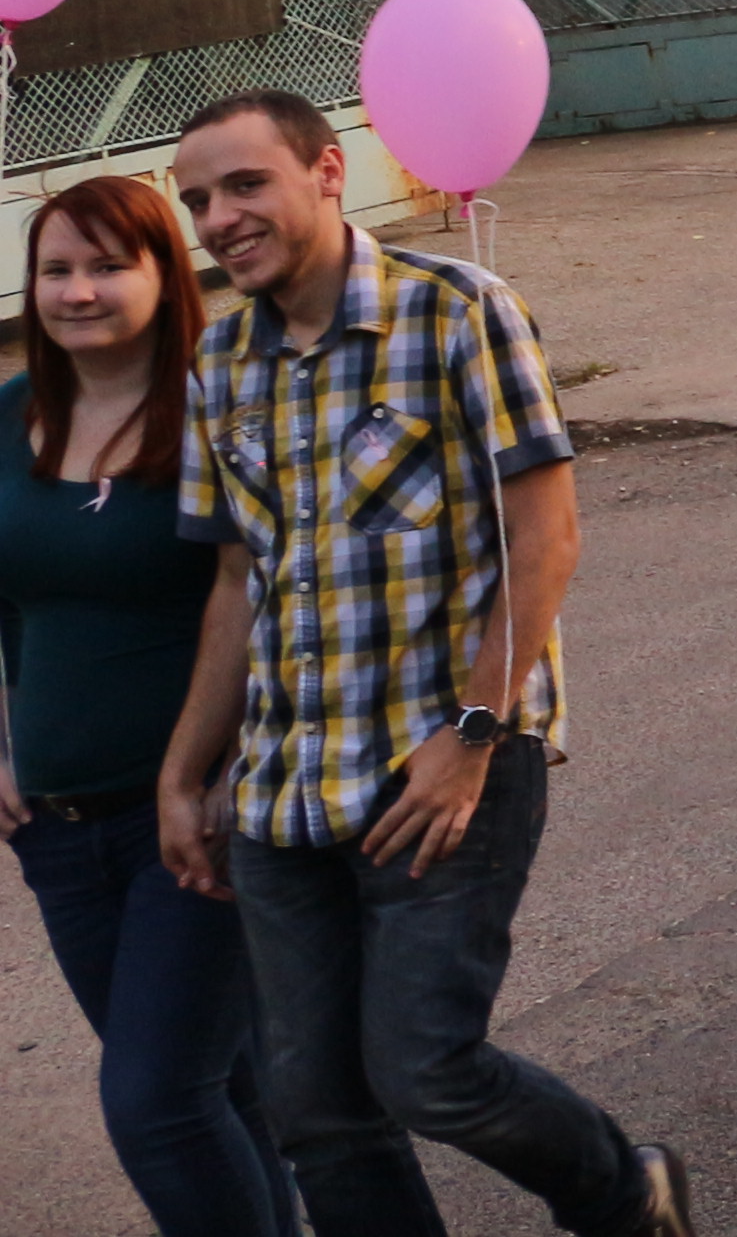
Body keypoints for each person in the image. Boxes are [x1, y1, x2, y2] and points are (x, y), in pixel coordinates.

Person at [159, 87, 695, 1237]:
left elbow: (546, 535)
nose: (220, 219)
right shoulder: (221, 360)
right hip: (283, 787)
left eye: (245, 184)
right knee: (318, 1113)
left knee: (426, 1070)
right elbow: (236, 583)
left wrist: (475, 734)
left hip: (437, 766)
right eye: (198, 200)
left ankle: (623, 1194)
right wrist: (185, 771)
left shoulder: (455, 312)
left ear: (326, 173)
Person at [10, 178, 297, 1236]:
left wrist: (226, 773)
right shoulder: (7, 417)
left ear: (164, 275)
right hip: (56, 829)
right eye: (56, 270)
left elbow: (269, 595)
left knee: (157, 1104)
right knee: (221, 1091)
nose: (78, 291)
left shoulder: (220, 413)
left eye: (107, 266)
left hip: (188, 821)